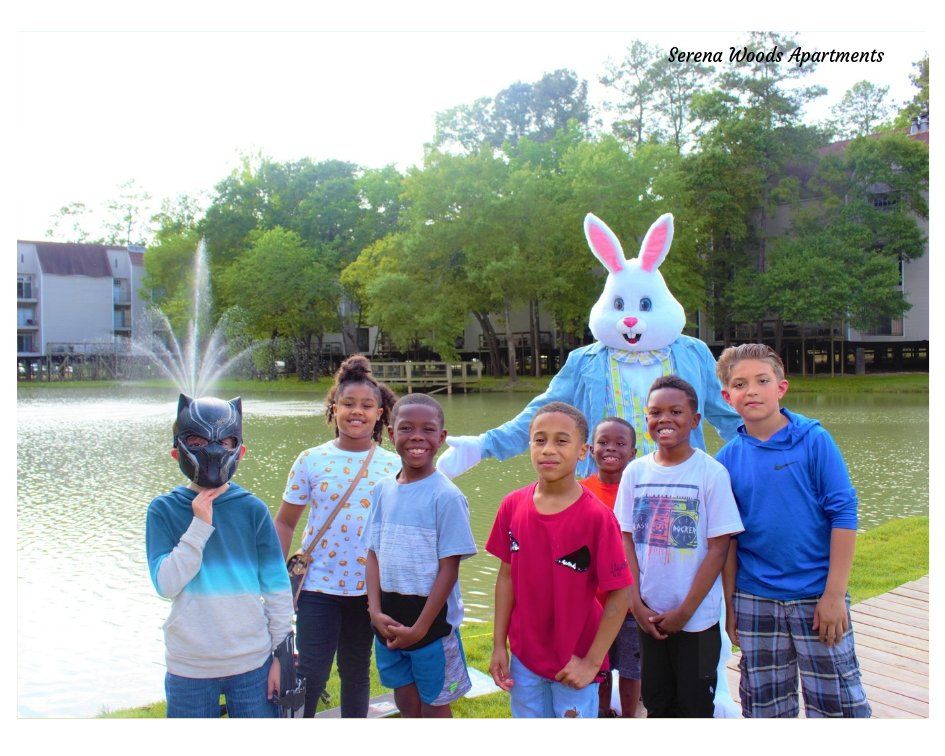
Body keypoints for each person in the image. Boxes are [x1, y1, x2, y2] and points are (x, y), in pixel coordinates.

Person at [715, 344, 871, 718]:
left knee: (837, 703)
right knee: (764, 704)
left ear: (781, 388)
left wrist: (834, 594)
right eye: (740, 384)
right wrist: (732, 606)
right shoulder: (727, 460)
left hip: (815, 595)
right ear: (727, 396)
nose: (751, 390)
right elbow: (728, 541)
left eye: (762, 381)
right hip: (755, 598)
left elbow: (844, 514)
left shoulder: (814, 440)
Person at [145, 395, 293, 718]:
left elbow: (278, 590)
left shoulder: (252, 509)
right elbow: (166, 584)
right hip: (190, 665)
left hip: (252, 661)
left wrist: (282, 658)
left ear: (240, 451)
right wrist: (199, 526)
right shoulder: (163, 510)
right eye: (197, 441)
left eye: (225, 441)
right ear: (176, 451)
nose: (212, 450)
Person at [486, 401, 632, 718]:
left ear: (582, 451)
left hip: (574, 659)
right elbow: (506, 577)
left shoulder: (597, 517)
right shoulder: (512, 505)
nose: (548, 449)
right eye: (540, 439)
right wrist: (500, 644)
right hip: (525, 657)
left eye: (561, 440)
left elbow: (621, 593)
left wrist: (592, 662)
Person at [273, 355, 399, 717]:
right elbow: (285, 523)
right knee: (310, 672)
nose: (356, 412)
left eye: (367, 405)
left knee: (357, 672)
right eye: (348, 403)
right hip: (317, 589)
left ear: (380, 413)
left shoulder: (393, 466)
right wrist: (278, 579)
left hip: (367, 591)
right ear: (334, 408)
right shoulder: (311, 460)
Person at [615, 376, 744, 718]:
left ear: (695, 420)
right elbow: (625, 538)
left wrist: (685, 612)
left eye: (676, 411)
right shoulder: (634, 473)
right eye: (655, 412)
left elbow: (719, 548)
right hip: (649, 617)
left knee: (696, 705)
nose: (665, 419)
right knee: (657, 703)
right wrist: (636, 604)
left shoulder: (711, 473)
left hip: (697, 621)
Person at [364, 394, 478, 718]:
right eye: (406, 428)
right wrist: (374, 611)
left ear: (441, 438)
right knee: (404, 696)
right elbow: (373, 553)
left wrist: (420, 628)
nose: (417, 437)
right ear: (390, 434)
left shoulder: (447, 496)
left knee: (435, 704)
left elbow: (449, 569)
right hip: (388, 618)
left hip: (432, 625)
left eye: (428, 429)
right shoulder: (382, 490)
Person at [581, 417, 641, 718]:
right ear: (591, 448)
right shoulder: (579, 491)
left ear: (633, 452)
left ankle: (629, 717)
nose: (611, 449)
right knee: (598, 666)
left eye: (620, 443)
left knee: (632, 668)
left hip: (630, 602)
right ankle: (602, 714)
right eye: (603, 442)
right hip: (593, 602)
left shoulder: (641, 491)